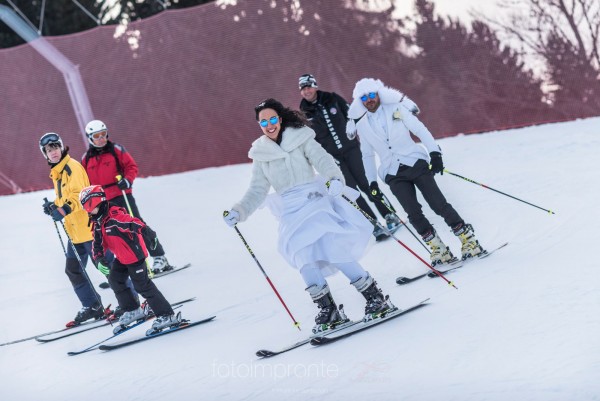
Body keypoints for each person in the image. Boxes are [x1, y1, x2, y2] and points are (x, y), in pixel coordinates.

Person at [223, 98, 393, 331]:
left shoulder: (301, 137)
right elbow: (257, 189)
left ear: (280, 119)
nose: (269, 124)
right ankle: (328, 310)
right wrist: (239, 211)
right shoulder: (261, 153)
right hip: (290, 210)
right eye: (264, 121)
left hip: (313, 201)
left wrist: (334, 179)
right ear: (259, 124)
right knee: (304, 259)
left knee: (334, 249)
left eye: (273, 119)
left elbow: (323, 160)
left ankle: (375, 297)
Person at [346, 78, 485, 266]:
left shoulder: (396, 108)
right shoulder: (362, 125)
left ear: (379, 94)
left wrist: (435, 153)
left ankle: (469, 241)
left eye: (372, 94)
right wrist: (372, 183)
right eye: (364, 97)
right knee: (413, 213)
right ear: (359, 101)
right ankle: (439, 250)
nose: (369, 99)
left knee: (438, 204)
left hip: (415, 162)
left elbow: (420, 129)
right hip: (393, 172)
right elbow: (367, 156)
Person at [298, 73, 400, 242]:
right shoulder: (303, 112)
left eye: (308, 87)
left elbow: (352, 114)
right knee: (352, 191)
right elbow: (310, 139)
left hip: (351, 149)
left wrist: (355, 130)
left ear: (315, 86)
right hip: (333, 158)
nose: (306, 91)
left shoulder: (331, 98)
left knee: (366, 183)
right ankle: (372, 224)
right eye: (303, 89)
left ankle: (389, 215)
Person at [79, 184, 181, 335]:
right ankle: (133, 310)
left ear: (96, 202)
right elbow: (97, 244)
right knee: (115, 280)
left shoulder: (114, 217)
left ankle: (167, 315)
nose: (88, 211)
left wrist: (149, 234)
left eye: (88, 207)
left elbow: (134, 223)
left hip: (135, 256)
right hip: (122, 258)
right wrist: (99, 259)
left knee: (143, 286)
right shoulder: (98, 222)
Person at [81, 120, 171, 274]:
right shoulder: (86, 159)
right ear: (90, 138)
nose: (101, 138)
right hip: (103, 201)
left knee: (136, 224)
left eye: (104, 134)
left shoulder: (116, 150)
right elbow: (85, 181)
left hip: (121, 195)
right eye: (97, 136)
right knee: (111, 233)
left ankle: (159, 257)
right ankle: (128, 265)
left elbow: (131, 167)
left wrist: (127, 181)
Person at [39, 132, 109, 325]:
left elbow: (80, 195)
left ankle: (131, 301)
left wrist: (64, 209)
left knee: (106, 266)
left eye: (55, 148)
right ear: (45, 154)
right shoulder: (58, 172)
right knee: (73, 270)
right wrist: (55, 206)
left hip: (87, 230)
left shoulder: (72, 167)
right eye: (48, 150)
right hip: (74, 232)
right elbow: (67, 196)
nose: (53, 152)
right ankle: (93, 305)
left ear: (61, 147)